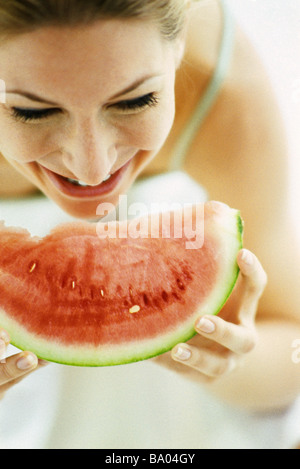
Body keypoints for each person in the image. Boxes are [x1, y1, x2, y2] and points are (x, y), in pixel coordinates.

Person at [0, 0, 299, 447]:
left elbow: (290, 354)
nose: (91, 167)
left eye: (136, 101)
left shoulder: (229, 92)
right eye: (32, 112)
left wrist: (230, 362)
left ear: (177, 48)